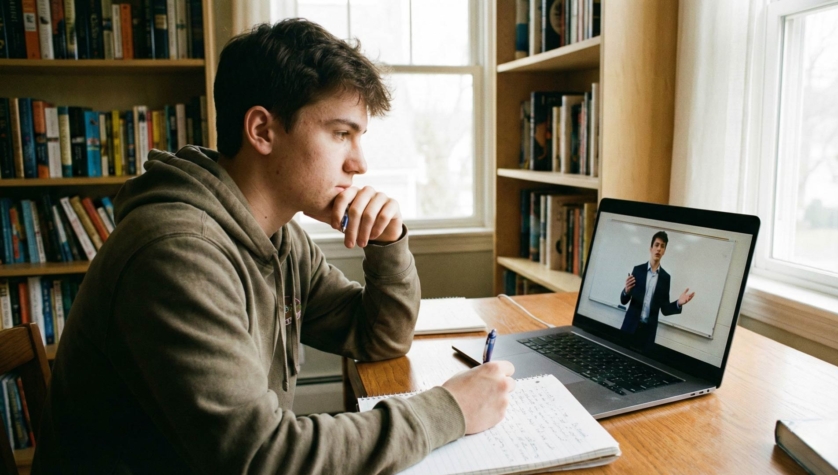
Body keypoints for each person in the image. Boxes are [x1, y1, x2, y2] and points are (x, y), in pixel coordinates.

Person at [32, 19, 515, 474]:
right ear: (262, 130)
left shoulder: (277, 235)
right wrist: (448, 410)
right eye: (341, 133)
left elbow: (376, 338)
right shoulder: (176, 254)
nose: (360, 163)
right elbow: (262, 457)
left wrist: (386, 244)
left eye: (359, 137)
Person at [620, 231, 695, 349]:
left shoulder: (665, 278)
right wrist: (626, 291)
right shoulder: (638, 270)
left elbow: (665, 309)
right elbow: (624, 300)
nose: (659, 249)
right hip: (630, 327)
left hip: (647, 333)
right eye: (656, 245)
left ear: (664, 251)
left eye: (662, 246)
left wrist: (678, 303)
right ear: (651, 248)